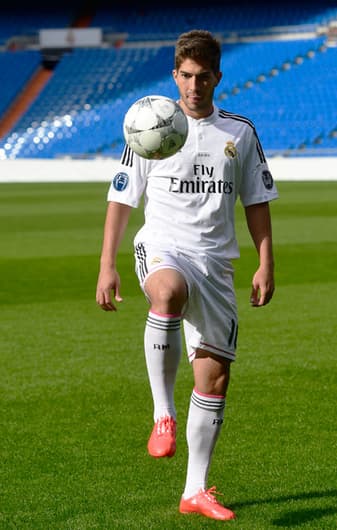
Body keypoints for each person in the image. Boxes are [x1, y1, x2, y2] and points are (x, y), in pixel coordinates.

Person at [96, 29, 278, 521]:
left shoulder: (238, 132)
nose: (194, 86)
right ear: (174, 75)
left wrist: (265, 261)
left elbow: (256, 200)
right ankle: (163, 413)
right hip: (162, 247)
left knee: (214, 378)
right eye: (186, 76)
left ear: (218, 76)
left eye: (203, 77)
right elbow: (121, 198)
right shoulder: (150, 125)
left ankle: (195, 490)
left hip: (216, 264)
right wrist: (107, 264)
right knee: (168, 292)